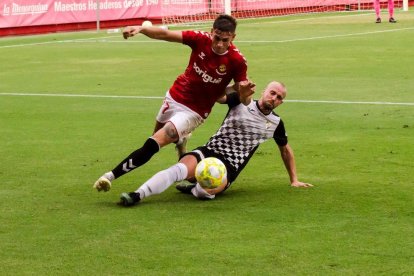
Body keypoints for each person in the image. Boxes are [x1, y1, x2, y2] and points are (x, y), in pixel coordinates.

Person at [93, 14, 248, 192]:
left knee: (153, 144)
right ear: (211, 32)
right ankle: (181, 140)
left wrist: (243, 94)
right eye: (217, 38)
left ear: (233, 38)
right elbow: (165, 34)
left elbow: (244, 94)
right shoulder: (200, 39)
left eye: (225, 40)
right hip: (175, 96)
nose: (219, 44)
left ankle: (109, 176)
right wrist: (141, 29)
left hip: (195, 112)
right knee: (152, 140)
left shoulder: (237, 61)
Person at [118, 80, 313, 206]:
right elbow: (218, 96)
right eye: (272, 93)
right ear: (264, 91)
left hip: (229, 166)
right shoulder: (240, 101)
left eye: (279, 98)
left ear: (280, 103)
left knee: (205, 192)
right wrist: (226, 84)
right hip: (209, 150)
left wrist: (294, 179)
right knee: (177, 170)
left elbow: (285, 149)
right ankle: (137, 195)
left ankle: (193, 185)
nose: (274, 98)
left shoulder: (275, 123)